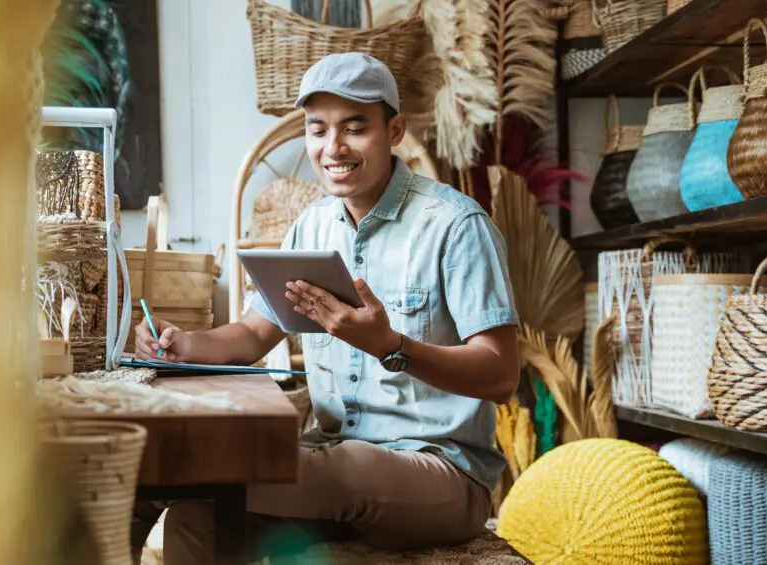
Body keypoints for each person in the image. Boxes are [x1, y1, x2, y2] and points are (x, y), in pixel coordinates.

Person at [133, 52, 520, 564]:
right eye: (318, 130)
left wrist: (391, 346)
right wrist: (182, 342)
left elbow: (501, 375)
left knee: (336, 468)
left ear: (395, 130)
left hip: (442, 472)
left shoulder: (455, 225)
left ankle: (147, 479)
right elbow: (253, 334)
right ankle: (152, 484)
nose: (333, 147)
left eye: (354, 128)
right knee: (195, 521)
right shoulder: (310, 227)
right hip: (332, 460)